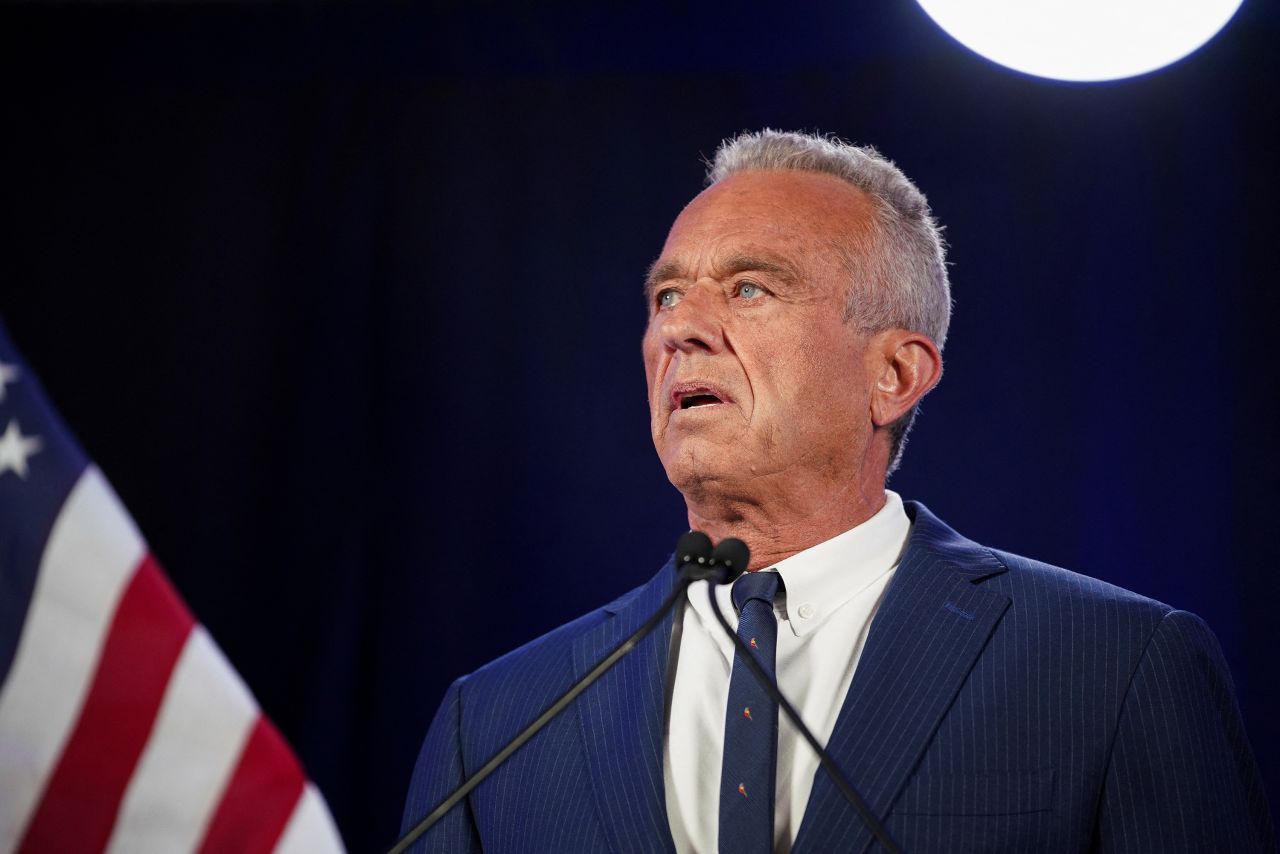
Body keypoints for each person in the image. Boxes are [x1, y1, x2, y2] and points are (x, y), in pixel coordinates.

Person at [401, 130, 1274, 852]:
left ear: (895, 373)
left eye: (749, 287)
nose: (681, 329)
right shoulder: (500, 721)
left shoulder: (1113, 668)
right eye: (666, 295)